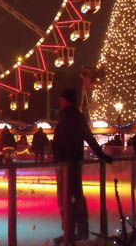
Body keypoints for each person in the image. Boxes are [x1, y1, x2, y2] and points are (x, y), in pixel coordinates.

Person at [52, 88, 113, 246]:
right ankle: (79, 230)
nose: (60, 102)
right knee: (76, 196)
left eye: (61, 99)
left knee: (65, 198)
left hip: (65, 163)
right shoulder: (77, 117)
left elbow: (60, 141)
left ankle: (71, 232)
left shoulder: (66, 117)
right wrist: (101, 155)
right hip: (74, 161)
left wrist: (57, 157)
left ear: (67, 100)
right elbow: (89, 137)